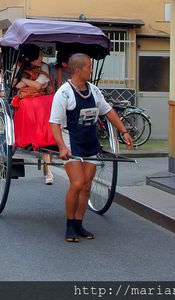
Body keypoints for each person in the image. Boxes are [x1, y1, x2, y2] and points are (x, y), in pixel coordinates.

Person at [49, 53, 133, 243]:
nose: (91, 70)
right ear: (78, 70)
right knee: (77, 183)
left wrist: (123, 131)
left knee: (87, 186)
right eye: (89, 66)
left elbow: (108, 111)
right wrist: (61, 147)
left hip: (89, 141)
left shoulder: (94, 90)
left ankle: (79, 223)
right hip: (71, 141)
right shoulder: (64, 93)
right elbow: (54, 123)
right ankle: (70, 224)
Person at [12, 44, 55, 184]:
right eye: (39, 56)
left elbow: (38, 86)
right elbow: (14, 84)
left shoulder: (44, 67)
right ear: (31, 59)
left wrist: (24, 80)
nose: (42, 58)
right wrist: (24, 82)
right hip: (25, 99)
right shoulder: (19, 66)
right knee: (28, 105)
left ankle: (45, 138)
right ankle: (37, 137)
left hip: (41, 96)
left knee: (49, 103)